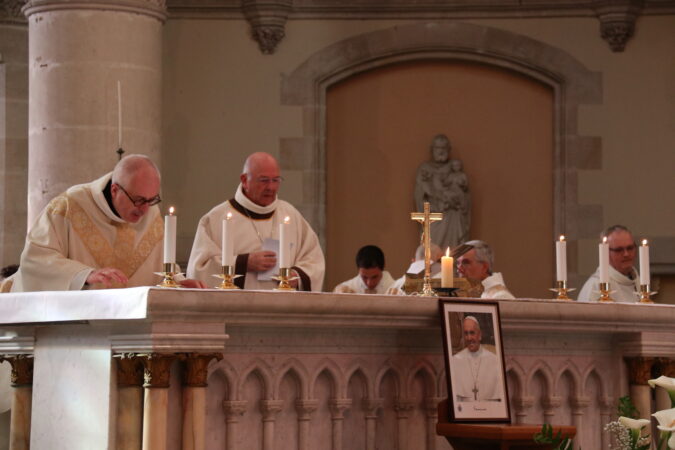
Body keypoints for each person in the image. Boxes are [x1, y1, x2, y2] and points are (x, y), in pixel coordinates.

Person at [11, 154, 206, 292]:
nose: (145, 209)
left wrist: (177, 282)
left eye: (151, 200)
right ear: (115, 190)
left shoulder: (150, 215)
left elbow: (161, 264)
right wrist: (83, 275)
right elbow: (36, 259)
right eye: (138, 200)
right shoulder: (69, 207)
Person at [187, 152, 325, 290]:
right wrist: (243, 262)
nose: (271, 187)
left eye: (276, 180)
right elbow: (199, 269)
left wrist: (296, 276)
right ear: (244, 180)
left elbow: (313, 260)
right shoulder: (216, 219)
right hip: (236, 303)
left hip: (283, 302)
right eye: (264, 180)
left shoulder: (291, 215)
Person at [414, 134, 471, 250]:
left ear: (449, 150)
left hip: (452, 216)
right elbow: (420, 194)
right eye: (438, 148)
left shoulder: (455, 168)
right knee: (432, 249)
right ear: (432, 150)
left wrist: (457, 199)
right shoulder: (425, 169)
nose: (441, 151)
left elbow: (464, 195)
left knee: (453, 250)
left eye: (444, 148)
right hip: (434, 216)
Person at [578, 225, 640, 303]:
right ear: (606, 252)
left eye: (630, 248)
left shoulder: (638, 281)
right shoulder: (595, 285)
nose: (626, 254)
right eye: (619, 250)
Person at [452, 316, 503, 402]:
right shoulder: (455, 361)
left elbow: (498, 400)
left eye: (472, 333)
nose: (469, 338)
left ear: (479, 335)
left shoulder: (494, 361)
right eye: (466, 333)